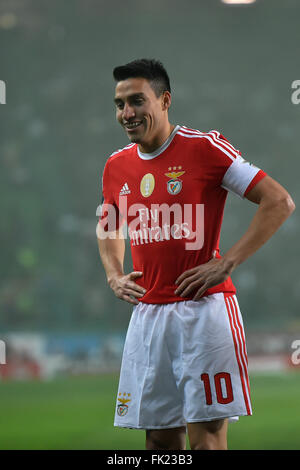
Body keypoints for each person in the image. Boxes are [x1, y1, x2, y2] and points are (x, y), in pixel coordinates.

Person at [97, 58, 295, 450]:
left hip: (203, 313)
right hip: (149, 315)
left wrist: (228, 261)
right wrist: (113, 272)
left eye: (137, 100)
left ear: (165, 99)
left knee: (206, 440)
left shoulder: (204, 148)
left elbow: (278, 201)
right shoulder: (115, 166)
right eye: (120, 104)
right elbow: (109, 224)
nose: (127, 113)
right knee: (159, 442)